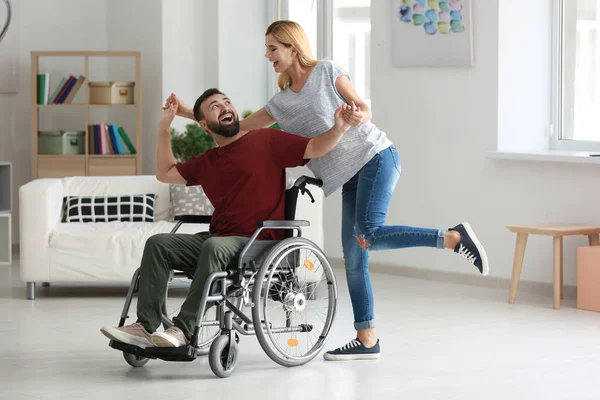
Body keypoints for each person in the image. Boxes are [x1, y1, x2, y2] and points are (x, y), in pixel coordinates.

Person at [166, 20, 489, 361]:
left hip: (375, 156)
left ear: (292, 47)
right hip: (346, 176)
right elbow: (236, 128)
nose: (267, 55)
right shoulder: (280, 104)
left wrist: (352, 116)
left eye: (272, 48)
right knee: (353, 259)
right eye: (267, 49)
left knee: (368, 235)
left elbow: (364, 109)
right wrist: (188, 112)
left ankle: (453, 237)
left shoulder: (326, 71)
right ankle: (367, 339)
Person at [100, 88, 350, 349]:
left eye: (227, 102)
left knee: (214, 246)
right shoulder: (209, 161)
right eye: (215, 107)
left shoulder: (266, 141)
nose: (225, 107)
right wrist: (164, 127)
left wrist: (339, 128)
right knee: (158, 244)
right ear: (205, 125)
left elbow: (315, 147)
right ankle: (144, 326)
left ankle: (183, 330)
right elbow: (165, 173)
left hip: (257, 243)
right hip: (219, 241)